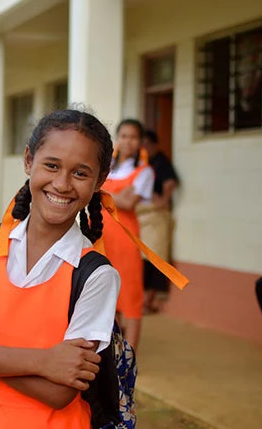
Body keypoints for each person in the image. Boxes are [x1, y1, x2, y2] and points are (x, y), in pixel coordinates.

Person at [0, 109, 120, 428]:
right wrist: (44, 361)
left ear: (99, 180)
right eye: (51, 165)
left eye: (80, 173)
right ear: (29, 161)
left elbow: (59, 391)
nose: (61, 184)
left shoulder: (95, 274)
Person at [100, 119, 154, 351]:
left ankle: (129, 359)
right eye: (123, 136)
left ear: (140, 141)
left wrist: (98, 191)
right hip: (99, 236)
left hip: (125, 238)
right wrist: (115, 195)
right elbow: (119, 198)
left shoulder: (145, 172)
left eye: (133, 137)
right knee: (105, 295)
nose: (127, 141)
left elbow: (128, 202)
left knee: (130, 297)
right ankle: (112, 355)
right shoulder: (107, 168)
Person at [138, 130, 179, 313]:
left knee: (153, 259)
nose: (144, 147)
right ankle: (141, 299)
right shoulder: (141, 162)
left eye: (147, 144)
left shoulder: (161, 162)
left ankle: (148, 301)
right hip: (141, 216)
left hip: (155, 218)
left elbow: (170, 183)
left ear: (154, 145)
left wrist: (163, 200)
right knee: (140, 259)